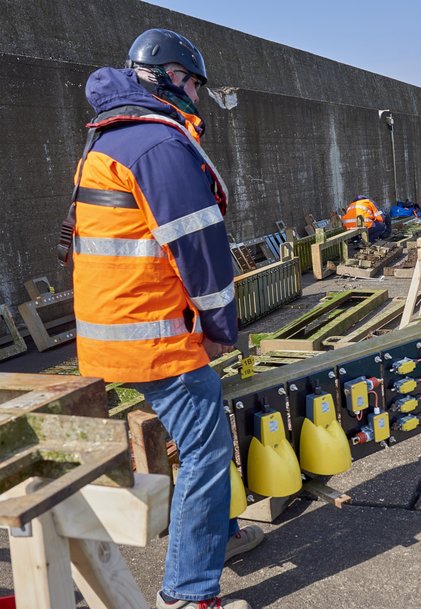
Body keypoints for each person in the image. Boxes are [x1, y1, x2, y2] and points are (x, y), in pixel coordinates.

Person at [68, 28, 262, 609]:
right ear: (167, 78)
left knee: (201, 435)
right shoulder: (158, 145)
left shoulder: (113, 138)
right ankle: (186, 592)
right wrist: (222, 329)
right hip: (154, 334)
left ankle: (215, 539)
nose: (199, 97)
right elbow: (198, 250)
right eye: (194, 83)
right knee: (205, 449)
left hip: (120, 329)